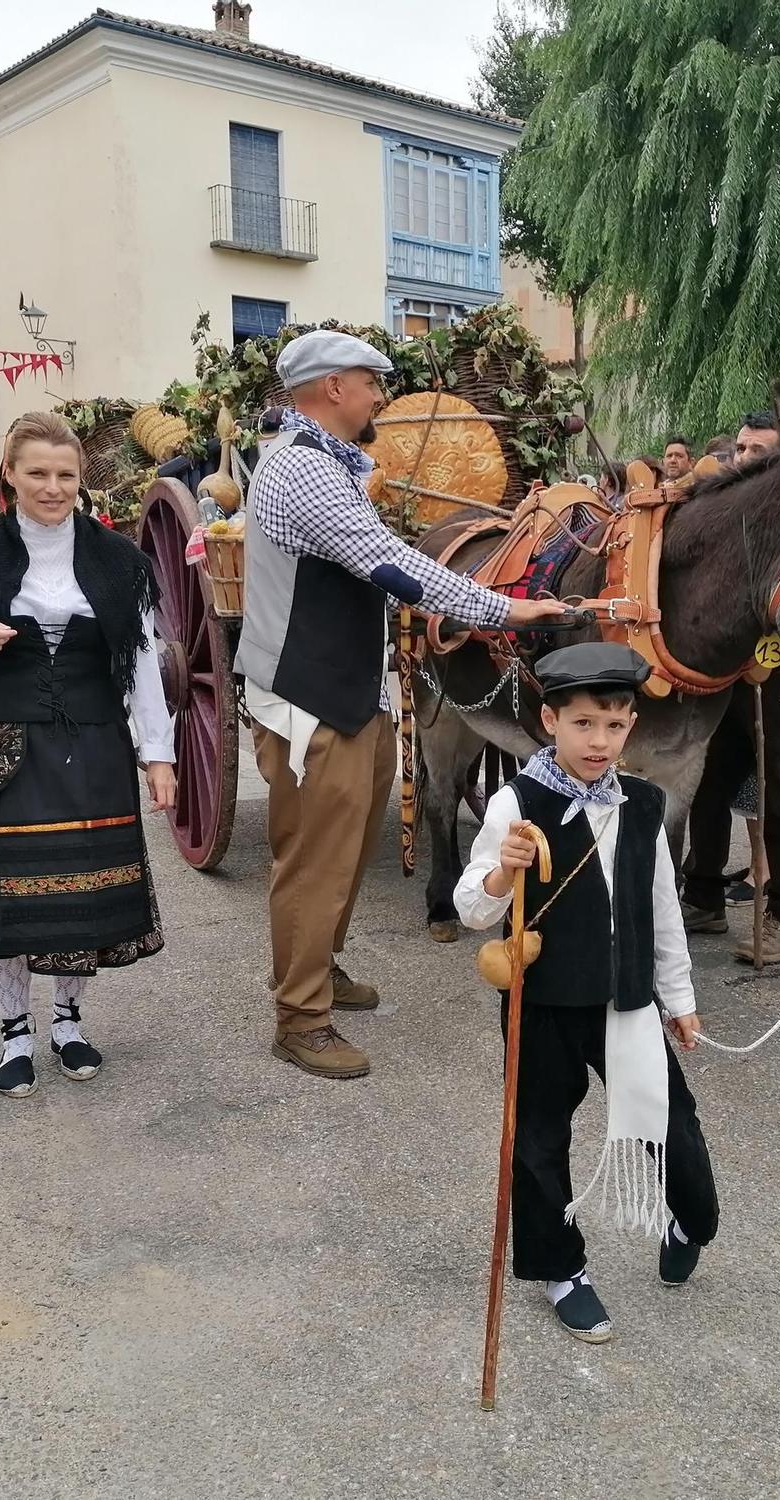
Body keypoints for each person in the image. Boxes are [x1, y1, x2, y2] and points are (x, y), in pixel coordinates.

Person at [238, 330, 568, 1080]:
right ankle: (300, 1015)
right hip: (307, 700)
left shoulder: (322, 465)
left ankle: (316, 969)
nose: (380, 397)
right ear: (330, 389)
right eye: (370, 382)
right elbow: (392, 565)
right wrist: (505, 611)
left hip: (345, 693)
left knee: (348, 850)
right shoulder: (302, 471)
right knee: (315, 861)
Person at [455, 643, 718, 1343]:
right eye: (582, 724)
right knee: (539, 1137)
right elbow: (471, 909)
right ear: (549, 721)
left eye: (614, 724)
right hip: (542, 1004)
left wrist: (679, 997)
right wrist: (500, 874)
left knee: (672, 1122)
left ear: (630, 725)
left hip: (626, 1000)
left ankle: (688, 1216)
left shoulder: (643, 805)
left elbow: (662, 909)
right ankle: (561, 1270)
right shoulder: (516, 802)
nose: (599, 741)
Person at [0, 412, 178, 1094]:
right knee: (10, 899)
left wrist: (160, 755)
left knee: (82, 899)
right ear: (9, 474)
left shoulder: (119, 559)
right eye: (37, 472)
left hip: (95, 743)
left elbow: (142, 665)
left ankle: (67, 1020)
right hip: (3, 742)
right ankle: (15, 1031)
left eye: (66, 474)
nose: (53, 486)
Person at [680, 407, 780, 964]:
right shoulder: (726, 519)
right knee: (710, 782)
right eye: (741, 450)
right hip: (728, 671)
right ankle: (704, 897)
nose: (745, 461)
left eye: (759, 452)